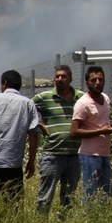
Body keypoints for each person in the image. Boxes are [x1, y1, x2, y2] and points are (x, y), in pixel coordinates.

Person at [0, 70, 40, 207]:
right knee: (13, 205)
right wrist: (31, 161)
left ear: (4, 83)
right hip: (13, 163)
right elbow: (34, 134)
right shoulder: (28, 104)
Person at [33, 64, 84, 215]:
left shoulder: (80, 98)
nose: (60, 79)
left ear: (71, 79)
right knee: (45, 196)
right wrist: (39, 124)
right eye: (57, 76)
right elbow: (27, 108)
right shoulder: (44, 97)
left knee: (69, 198)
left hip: (75, 155)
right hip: (53, 155)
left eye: (64, 76)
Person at [70, 66, 112, 204]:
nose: (98, 83)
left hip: (105, 153)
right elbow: (74, 131)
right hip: (89, 155)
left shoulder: (105, 98)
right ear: (87, 83)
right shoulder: (83, 104)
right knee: (90, 193)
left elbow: (103, 123)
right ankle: (86, 216)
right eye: (94, 80)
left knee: (107, 193)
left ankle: (103, 216)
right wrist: (101, 131)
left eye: (100, 79)